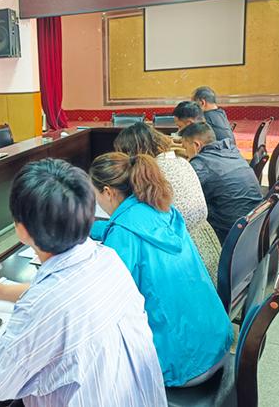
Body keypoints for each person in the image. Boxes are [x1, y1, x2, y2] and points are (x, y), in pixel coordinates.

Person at [0, 158, 167, 407]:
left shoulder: (44, 305)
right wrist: (2, 291)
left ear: (21, 229)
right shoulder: (107, 258)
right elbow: (67, 295)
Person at [89, 152, 233, 387]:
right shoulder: (163, 211)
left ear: (107, 192)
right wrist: (91, 229)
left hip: (182, 364)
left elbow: (104, 300)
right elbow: (133, 228)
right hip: (215, 341)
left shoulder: (124, 234)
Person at [114, 122, 222, 286]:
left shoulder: (151, 174)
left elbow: (140, 222)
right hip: (208, 245)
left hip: (185, 259)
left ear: (133, 152)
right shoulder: (181, 161)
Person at [180, 122, 263, 244]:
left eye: (185, 148)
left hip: (229, 235)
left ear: (196, 145)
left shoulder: (201, 165)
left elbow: (184, 198)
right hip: (255, 226)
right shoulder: (231, 150)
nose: (186, 153)